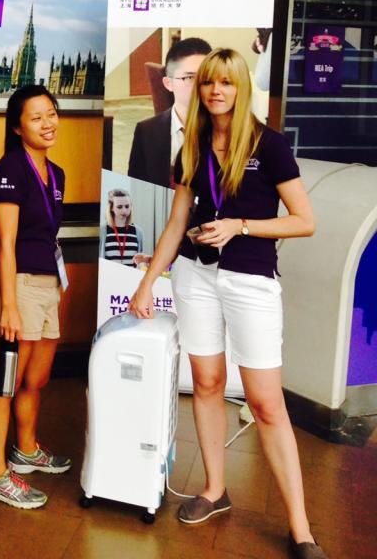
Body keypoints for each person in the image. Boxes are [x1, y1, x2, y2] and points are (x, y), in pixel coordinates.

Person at [131, 48, 326, 559]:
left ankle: (301, 529)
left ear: (242, 88)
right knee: (208, 383)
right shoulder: (192, 144)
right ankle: (215, 489)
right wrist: (150, 281)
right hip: (195, 276)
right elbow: (177, 222)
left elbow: (304, 220)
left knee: (265, 402)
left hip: (251, 281)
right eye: (209, 83)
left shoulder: (271, 145)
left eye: (227, 83)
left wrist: (240, 226)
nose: (216, 91)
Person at [0, 85, 71, 510]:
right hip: (20, 287)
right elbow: (8, 243)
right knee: (5, 383)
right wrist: (10, 304)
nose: (47, 123)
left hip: (47, 286)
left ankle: (26, 449)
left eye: (51, 113)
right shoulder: (9, 170)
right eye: (36, 117)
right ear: (17, 127)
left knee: (37, 378)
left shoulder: (57, 174)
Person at [128, 38, 212, 188]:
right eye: (190, 77)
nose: (201, 85)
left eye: (207, 77)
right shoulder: (147, 132)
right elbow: (138, 192)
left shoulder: (228, 130)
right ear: (169, 83)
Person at [99, 188, 148, 268]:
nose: (124, 211)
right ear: (111, 208)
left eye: (127, 206)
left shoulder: (138, 232)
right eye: (119, 207)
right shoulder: (102, 231)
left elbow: (141, 263)